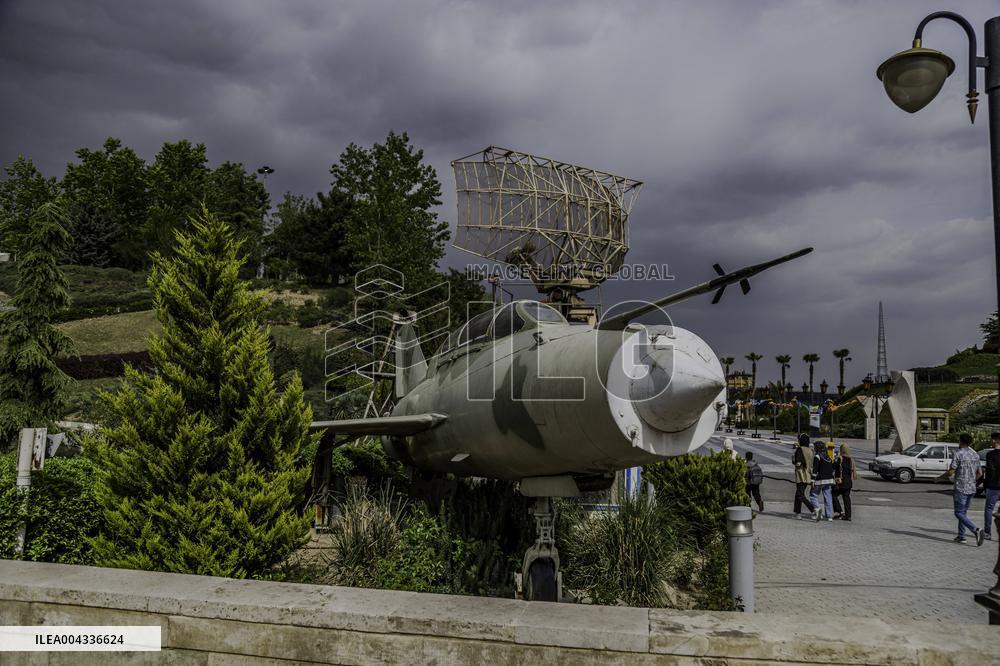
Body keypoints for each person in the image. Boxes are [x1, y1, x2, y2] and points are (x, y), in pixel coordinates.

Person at [947, 433, 985, 545]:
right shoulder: (975, 455)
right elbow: (980, 473)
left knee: (958, 512)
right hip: (972, 488)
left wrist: (940, 478)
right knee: (963, 513)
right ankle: (961, 536)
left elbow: (951, 471)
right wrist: (972, 480)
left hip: (961, 488)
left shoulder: (958, 454)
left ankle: (976, 530)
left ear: (960, 441)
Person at [811, 441, 836, 522]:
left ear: (816, 448)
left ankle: (818, 511)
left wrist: (812, 480)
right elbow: (832, 468)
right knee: (828, 497)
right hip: (829, 480)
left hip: (820, 480)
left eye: (814, 447)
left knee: (813, 495)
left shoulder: (817, 457)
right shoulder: (828, 457)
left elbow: (815, 470)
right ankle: (829, 516)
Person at [793, 434, 816, 519]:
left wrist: (795, 460)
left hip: (801, 474)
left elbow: (798, 462)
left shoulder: (800, 449)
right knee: (798, 494)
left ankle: (813, 510)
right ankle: (797, 512)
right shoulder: (810, 451)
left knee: (800, 495)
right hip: (808, 474)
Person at [982, 432, 1000, 541]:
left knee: (989, 509)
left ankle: (987, 533)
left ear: (995, 441)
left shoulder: (990, 455)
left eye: (991, 440)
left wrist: (985, 484)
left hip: (993, 486)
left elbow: (990, 471)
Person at [832, 443, 856, 521]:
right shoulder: (851, 459)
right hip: (848, 482)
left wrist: (835, 458)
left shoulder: (840, 458)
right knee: (846, 498)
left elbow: (834, 466)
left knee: (833, 495)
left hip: (841, 482)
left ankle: (839, 511)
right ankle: (848, 516)